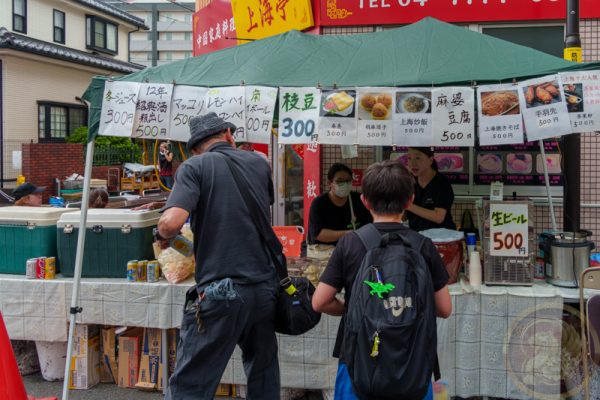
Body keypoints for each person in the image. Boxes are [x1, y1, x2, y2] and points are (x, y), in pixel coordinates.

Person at [156, 112, 280, 400]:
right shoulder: (259, 163)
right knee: (263, 372)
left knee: (191, 383)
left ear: (195, 149)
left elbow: (171, 224)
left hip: (221, 289)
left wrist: (161, 233)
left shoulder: (194, 167)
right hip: (263, 287)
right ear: (228, 134)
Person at [312, 159, 452, 400]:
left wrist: (351, 308)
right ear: (409, 201)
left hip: (358, 358)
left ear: (364, 201)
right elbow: (444, 308)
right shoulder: (423, 245)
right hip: (413, 361)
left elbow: (319, 301)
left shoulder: (350, 243)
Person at [308, 163, 372, 245]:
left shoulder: (359, 200)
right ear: (329, 183)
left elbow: (369, 224)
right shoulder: (319, 203)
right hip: (326, 250)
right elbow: (317, 234)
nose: (345, 184)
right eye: (340, 181)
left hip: (353, 246)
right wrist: (348, 233)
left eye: (348, 180)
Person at [405, 147, 456, 232]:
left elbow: (438, 217)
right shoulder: (409, 181)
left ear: (430, 160)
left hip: (441, 237)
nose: (412, 163)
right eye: (409, 158)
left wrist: (408, 206)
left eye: (418, 158)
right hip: (417, 235)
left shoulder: (442, 183)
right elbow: (404, 216)